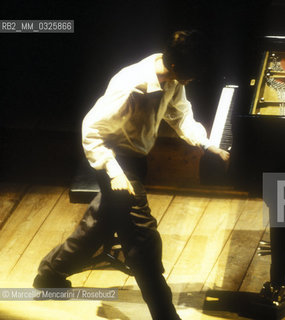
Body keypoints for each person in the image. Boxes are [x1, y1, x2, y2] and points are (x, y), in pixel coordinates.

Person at [33, 30, 230, 320]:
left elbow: (180, 115)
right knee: (143, 241)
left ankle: (49, 275)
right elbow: (91, 131)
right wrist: (114, 173)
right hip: (114, 160)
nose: (195, 78)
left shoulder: (173, 80)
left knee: (99, 226)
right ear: (175, 66)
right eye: (192, 73)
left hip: (136, 160)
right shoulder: (131, 86)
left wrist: (207, 144)